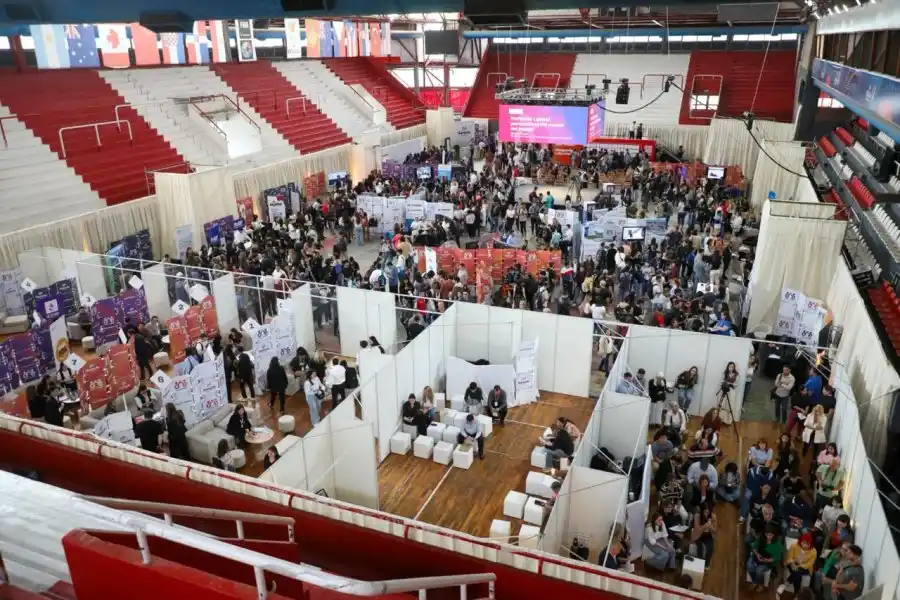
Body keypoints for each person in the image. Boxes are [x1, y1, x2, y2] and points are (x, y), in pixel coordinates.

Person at [746, 525, 783, 591]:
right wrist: (757, 554)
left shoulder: (777, 544)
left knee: (759, 570)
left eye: (770, 535)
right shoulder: (761, 539)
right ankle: (755, 582)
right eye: (767, 535)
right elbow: (754, 547)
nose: (768, 537)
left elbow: (777, 558)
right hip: (759, 557)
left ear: (774, 534)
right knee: (749, 565)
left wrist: (766, 560)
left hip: (769, 561)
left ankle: (760, 584)